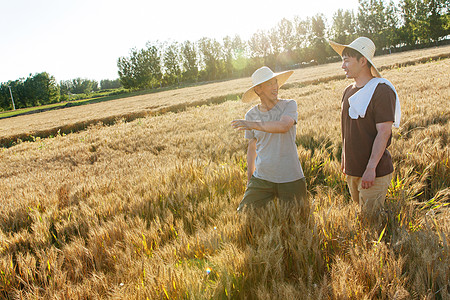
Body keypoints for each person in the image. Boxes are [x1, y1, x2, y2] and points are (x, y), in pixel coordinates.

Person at [329, 37, 401, 225]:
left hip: (373, 172)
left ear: (362, 61)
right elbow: (348, 130)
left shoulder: (382, 91)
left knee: (371, 223)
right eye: (342, 60)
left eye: (346, 60)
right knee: (362, 220)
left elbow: (384, 133)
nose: (342, 65)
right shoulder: (348, 91)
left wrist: (370, 169)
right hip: (352, 170)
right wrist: (346, 161)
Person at [231, 66, 308, 216]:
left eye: (276, 82)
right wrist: (250, 179)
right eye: (270, 84)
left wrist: (252, 125)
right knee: (243, 214)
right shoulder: (251, 114)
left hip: (291, 177)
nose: (275, 87)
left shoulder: (288, 105)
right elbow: (252, 147)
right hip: (262, 178)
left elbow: (284, 126)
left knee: (298, 221)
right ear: (258, 90)